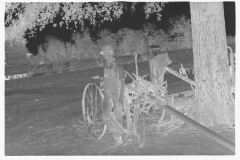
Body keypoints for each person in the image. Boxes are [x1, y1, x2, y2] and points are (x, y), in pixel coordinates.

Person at [99, 45, 128, 148]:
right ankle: (121, 133)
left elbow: (122, 83)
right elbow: (107, 78)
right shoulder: (105, 66)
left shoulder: (118, 67)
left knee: (118, 117)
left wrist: (121, 97)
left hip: (117, 95)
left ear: (112, 54)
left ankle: (119, 139)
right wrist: (102, 80)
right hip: (107, 95)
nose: (105, 55)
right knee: (105, 116)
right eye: (104, 54)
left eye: (107, 53)